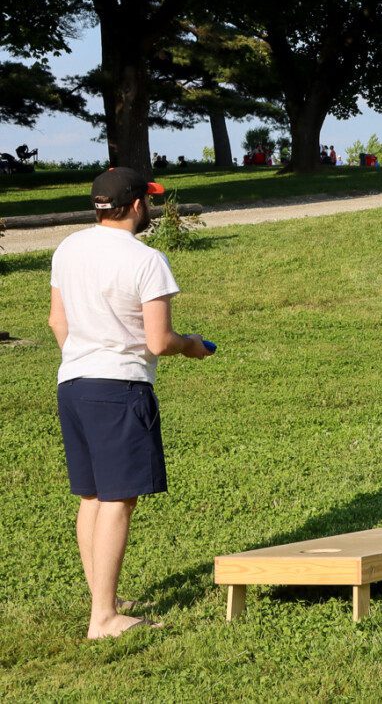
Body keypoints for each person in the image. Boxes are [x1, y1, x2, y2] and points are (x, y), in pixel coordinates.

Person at [47, 168, 214, 638]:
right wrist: (193, 345)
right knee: (119, 500)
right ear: (138, 204)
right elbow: (159, 341)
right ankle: (104, 618)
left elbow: (56, 321)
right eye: (149, 201)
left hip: (74, 384)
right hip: (118, 388)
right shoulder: (146, 259)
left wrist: (84, 356)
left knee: (92, 497)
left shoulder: (68, 248)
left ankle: (104, 597)